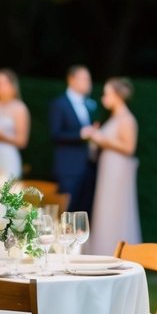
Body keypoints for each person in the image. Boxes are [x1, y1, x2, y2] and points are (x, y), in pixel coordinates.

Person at [88, 77, 141, 254]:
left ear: (118, 96)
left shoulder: (126, 119)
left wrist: (101, 139)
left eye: (107, 94)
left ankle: (119, 251)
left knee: (116, 208)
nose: (104, 98)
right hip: (108, 167)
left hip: (118, 169)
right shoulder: (114, 117)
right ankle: (104, 249)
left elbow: (129, 147)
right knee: (105, 208)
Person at [49, 65, 98, 212]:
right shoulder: (59, 104)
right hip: (68, 168)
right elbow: (55, 134)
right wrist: (81, 134)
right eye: (85, 79)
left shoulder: (90, 104)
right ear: (71, 79)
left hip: (89, 166)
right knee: (66, 211)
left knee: (84, 212)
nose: (89, 83)